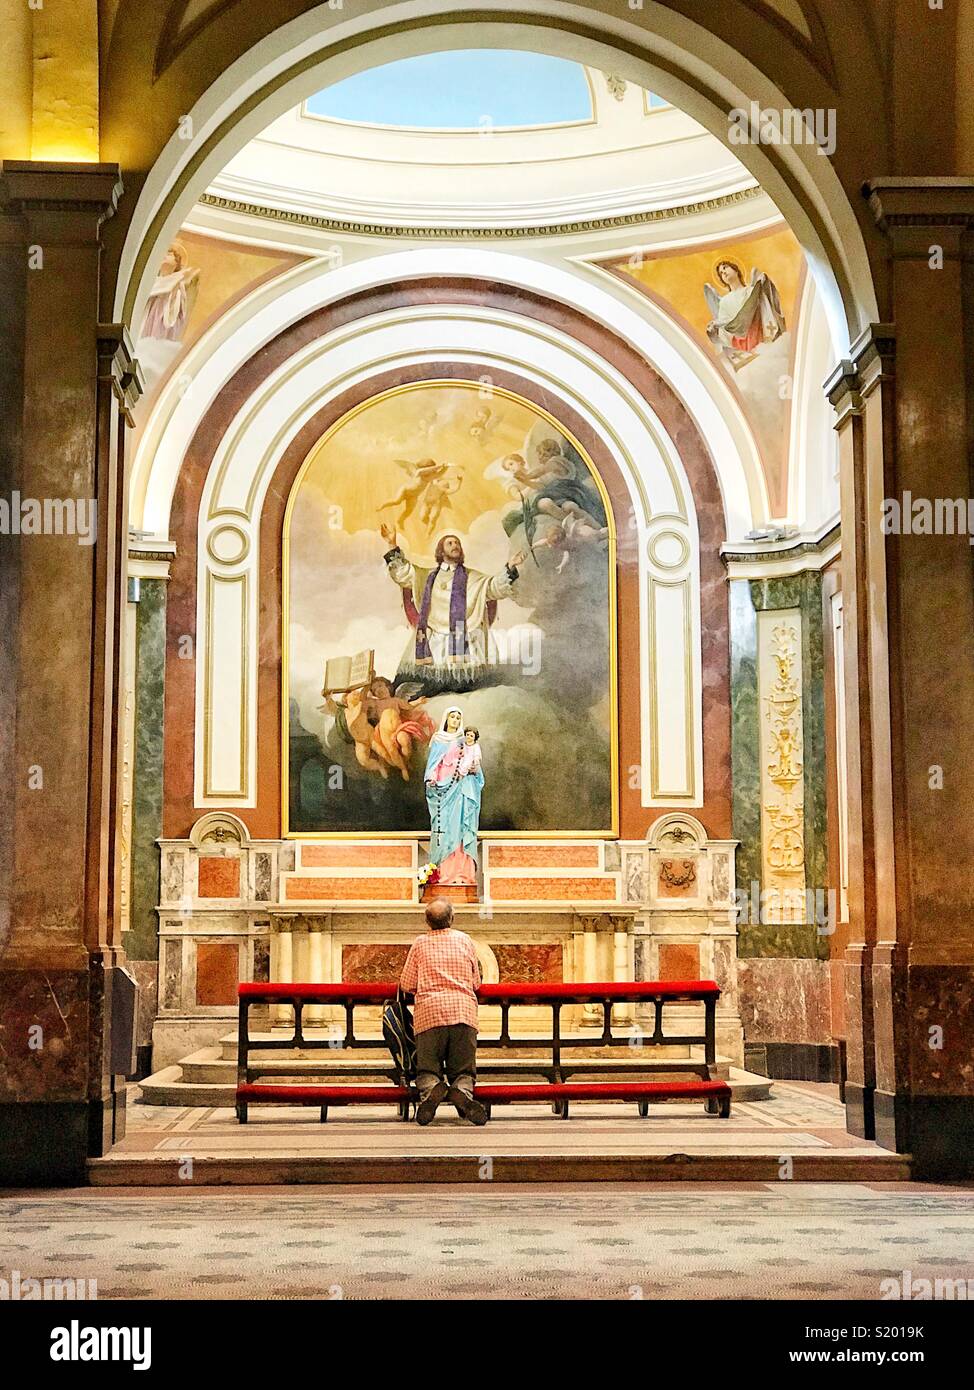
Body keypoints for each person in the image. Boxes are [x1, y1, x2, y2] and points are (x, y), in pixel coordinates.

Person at [380, 526, 525, 694]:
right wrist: (391, 543)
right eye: (450, 543)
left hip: (462, 638)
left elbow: (493, 587)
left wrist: (510, 567)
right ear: (441, 551)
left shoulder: (473, 577)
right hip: (432, 638)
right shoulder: (426, 576)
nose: (455, 545)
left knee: (468, 691)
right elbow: (402, 572)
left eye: (457, 543)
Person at [399, 898, 487, 1126]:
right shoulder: (465, 940)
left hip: (430, 1014)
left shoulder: (420, 943)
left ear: (427, 921)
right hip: (463, 1012)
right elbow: (475, 981)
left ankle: (433, 1090)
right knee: (464, 1070)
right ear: (452, 919)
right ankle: (462, 1093)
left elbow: (407, 983)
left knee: (427, 1068)